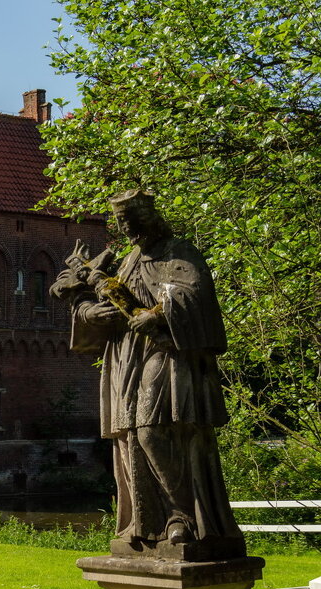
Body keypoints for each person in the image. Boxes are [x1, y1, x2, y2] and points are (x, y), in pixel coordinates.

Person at [55, 189, 243, 556]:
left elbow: (194, 295)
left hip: (165, 352)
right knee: (129, 437)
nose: (126, 228)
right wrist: (91, 312)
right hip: (126, 357)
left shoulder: (178, 253)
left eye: (131, 220)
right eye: (121, 222)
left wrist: (156, 315)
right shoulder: (126, 261)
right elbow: (95, 298)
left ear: (148, 218)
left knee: (152, 429)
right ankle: (145, 522)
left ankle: (182, 516)